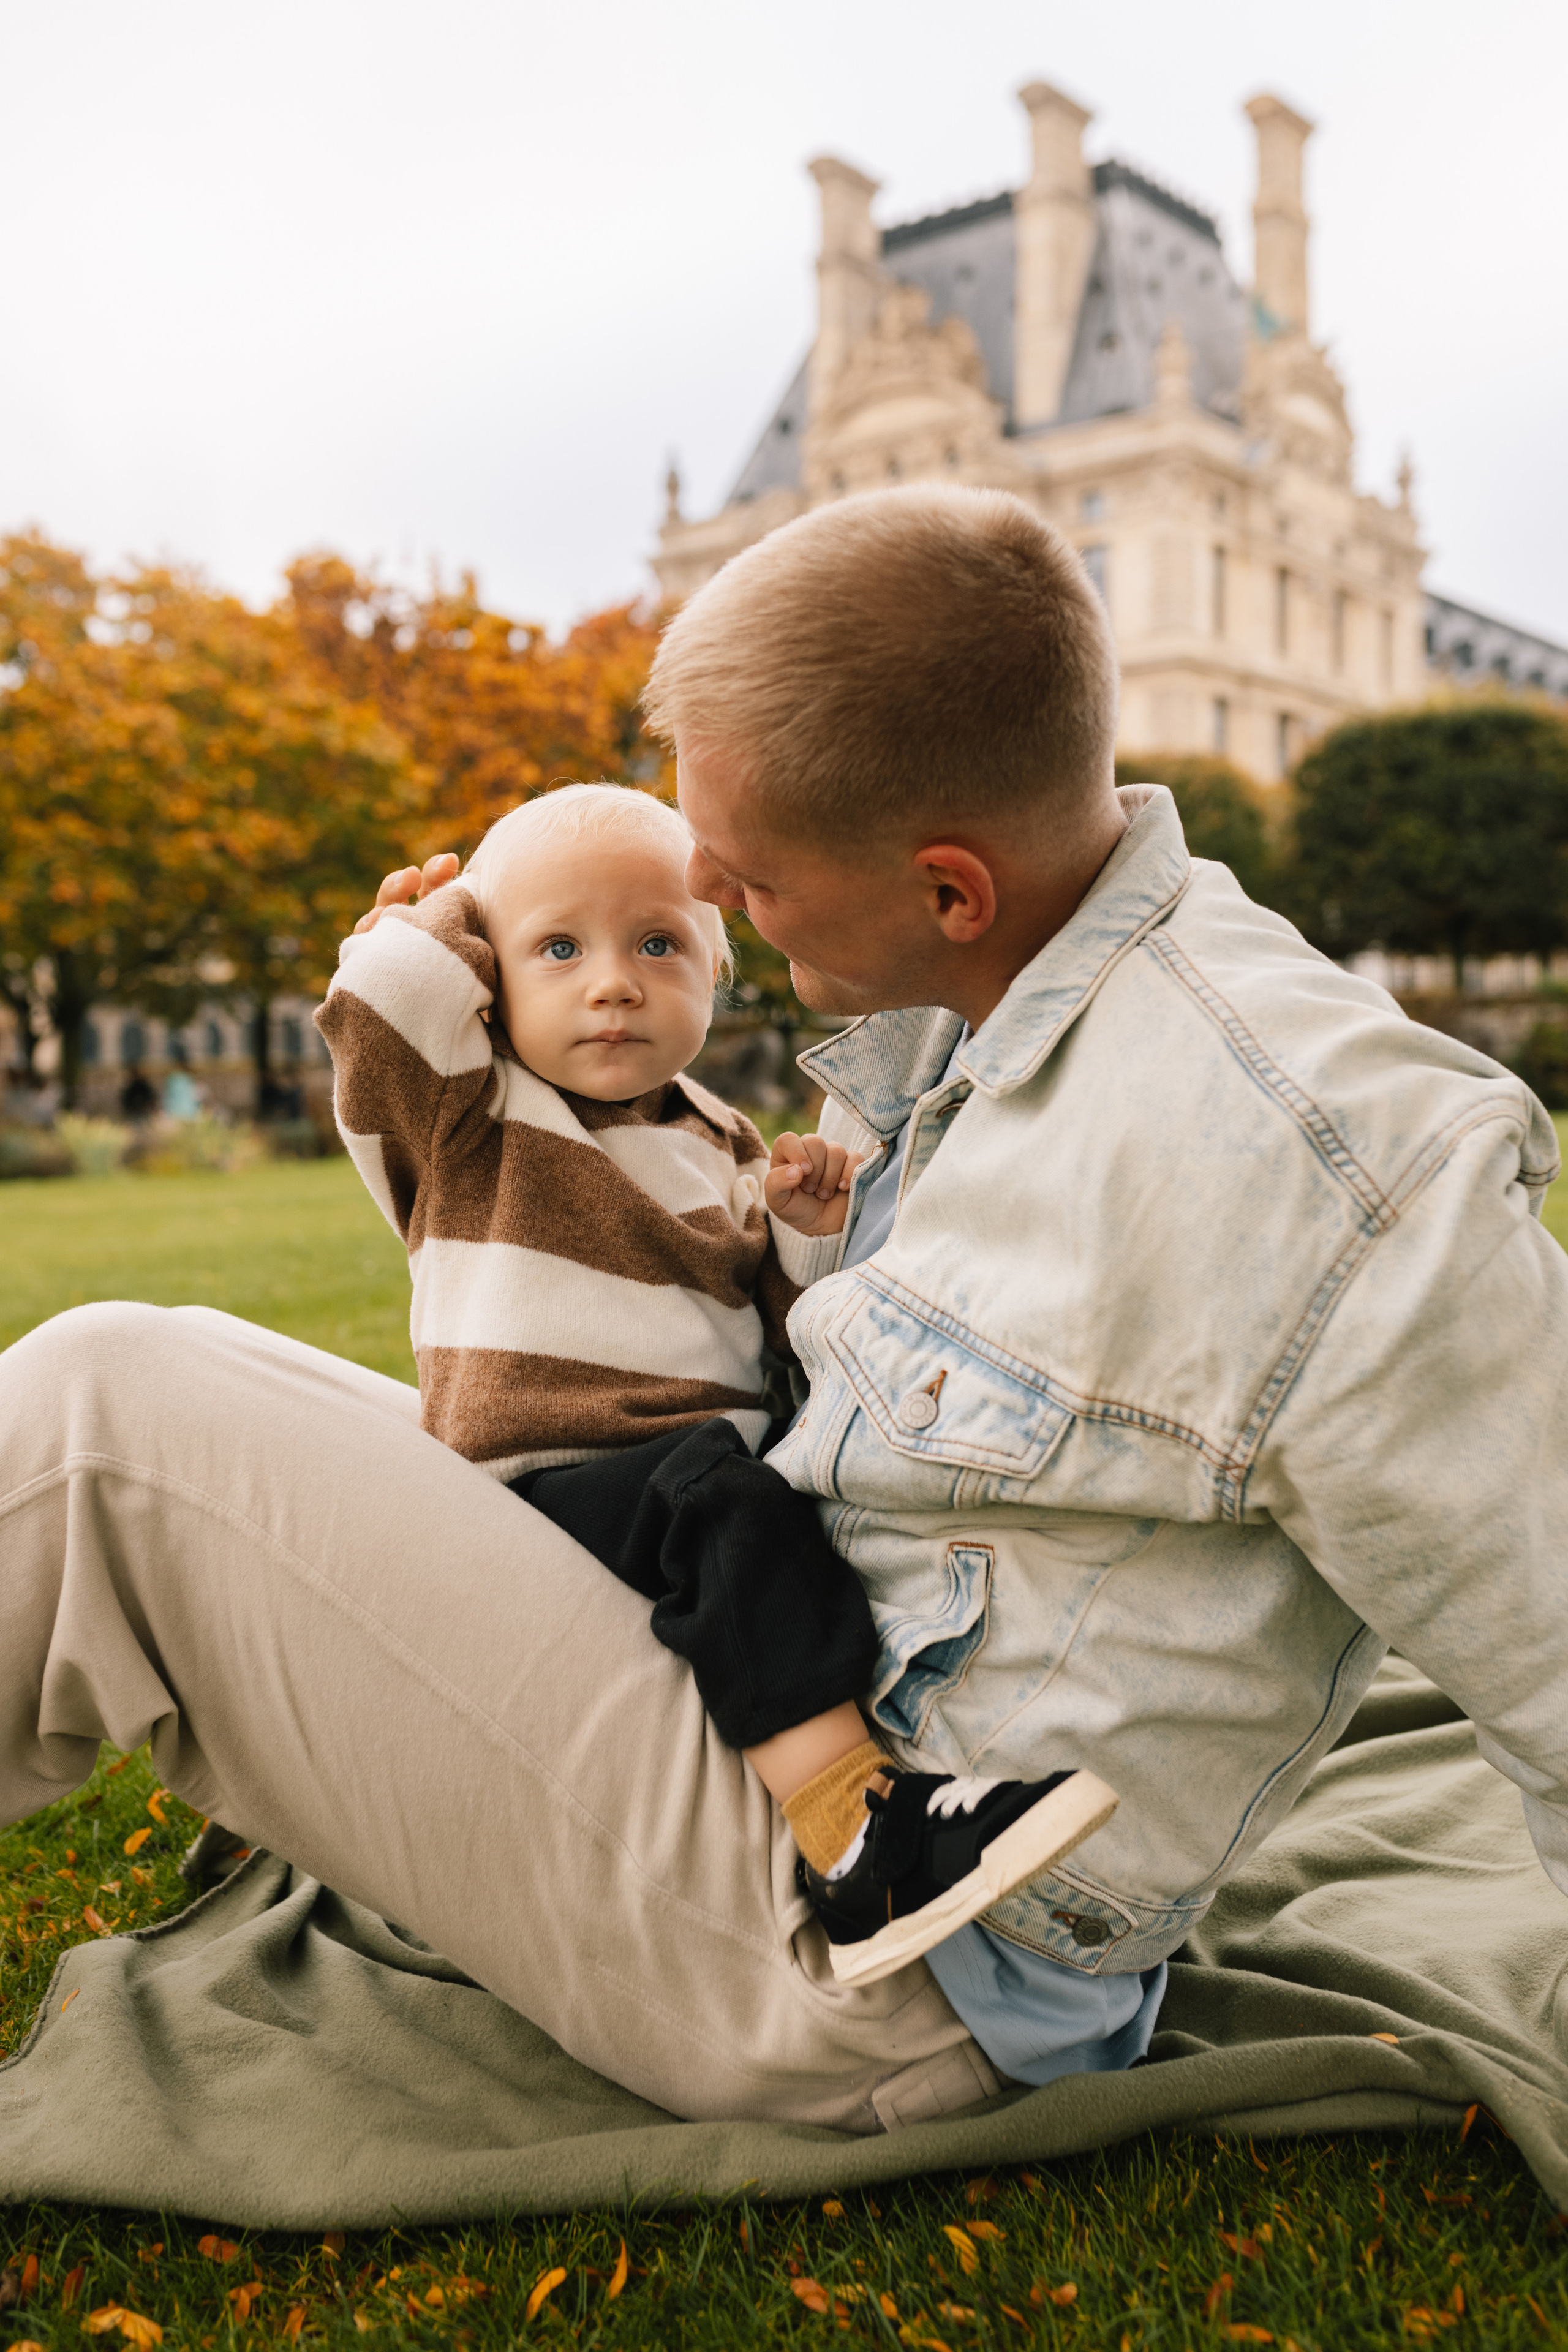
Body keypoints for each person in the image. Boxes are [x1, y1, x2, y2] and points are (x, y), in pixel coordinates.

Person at [3, 484, 1565, 2132]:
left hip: (883, 1948)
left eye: (742, 885)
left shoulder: (1321, 1156)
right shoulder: (1002, 1002)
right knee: (178, 1368)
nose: (720, 915)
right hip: (753, 1698)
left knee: (107, 1421)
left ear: (948, 885)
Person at [313, 781, 1116, 1982]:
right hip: (535, 1487)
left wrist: (799, 1235)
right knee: (721, 1495)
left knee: (770, 1506)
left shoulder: (725, 1139)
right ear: (485, 980)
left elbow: (785, 1337)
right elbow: (374, 1030)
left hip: (692, 1498)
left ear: (715, 967)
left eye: (655, 943)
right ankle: (860, 1841)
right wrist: (422, 933)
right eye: (555, 948)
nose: (612, 981)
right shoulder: (470, 1120)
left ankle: (891, 1783)